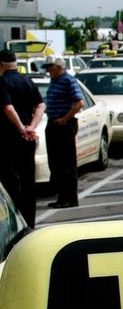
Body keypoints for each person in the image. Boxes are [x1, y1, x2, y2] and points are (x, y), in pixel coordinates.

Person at [0, 49, 45, 227]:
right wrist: (31, 127)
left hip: (8, 138)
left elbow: (9, 109)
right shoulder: (27, 81)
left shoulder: (2, 82)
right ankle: (30, 222)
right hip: (28, 140)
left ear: (1, 65)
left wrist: (21, 129)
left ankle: (15, 222)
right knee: (28, 182)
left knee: (9, 182)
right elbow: (41, 105)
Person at [42, 54, 84, 209]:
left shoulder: (67, 80)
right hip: (53, 122)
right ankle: (62, 196)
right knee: (56, 163)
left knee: (66, 163)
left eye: (50, 67)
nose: (48, 71)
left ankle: (70, 197)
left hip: (63, 125)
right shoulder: (54, 80)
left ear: (59, 67)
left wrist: (65, 118)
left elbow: (79, 103)